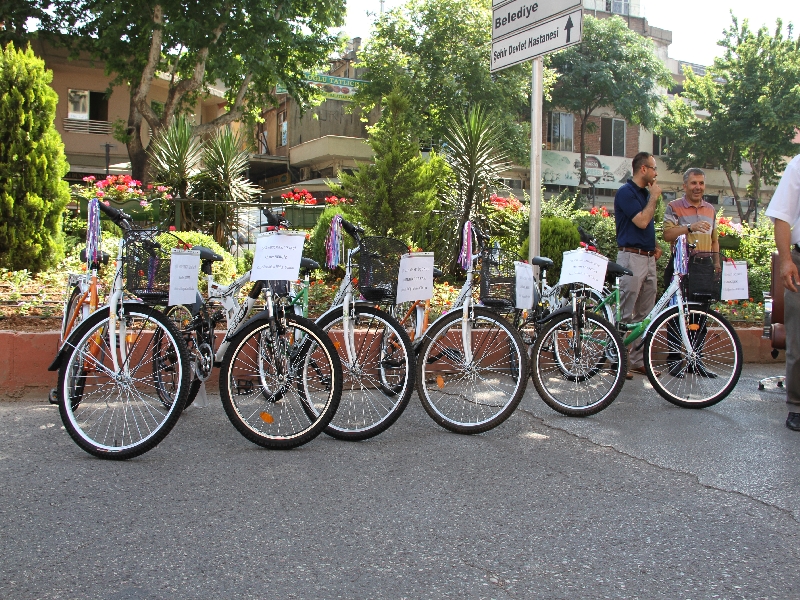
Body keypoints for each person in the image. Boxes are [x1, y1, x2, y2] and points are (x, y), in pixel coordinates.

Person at [662, 168, 719, 378]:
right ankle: (675, 360)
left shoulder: (711, 209)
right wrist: (690, 227)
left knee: (700, 315)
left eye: (701, 183)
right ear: (685, 185)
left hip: (704, 266)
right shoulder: (673, 206)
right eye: (694, 183)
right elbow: (668, 234)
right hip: (681, 266)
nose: (698, 187)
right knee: (676, 314)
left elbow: (715, 239)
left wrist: (718, 265)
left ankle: (697, 360)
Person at [614, 152, 662, 379]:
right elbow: (641, 221)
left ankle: (636, 360)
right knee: (625, 310)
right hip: (631, 257)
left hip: (648, 257)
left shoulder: (644, 193)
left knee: (645, 314)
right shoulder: (627, 192)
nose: (655, 173)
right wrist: (653, 197)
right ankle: (618, 360)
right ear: (643, 169)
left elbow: (646, 226)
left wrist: (655, 244)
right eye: (653, 168)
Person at [765, 153, 800, 432]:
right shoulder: (798, 165)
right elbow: (782, 216)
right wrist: (786, 260)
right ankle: (798, 405)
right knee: (798, 338)